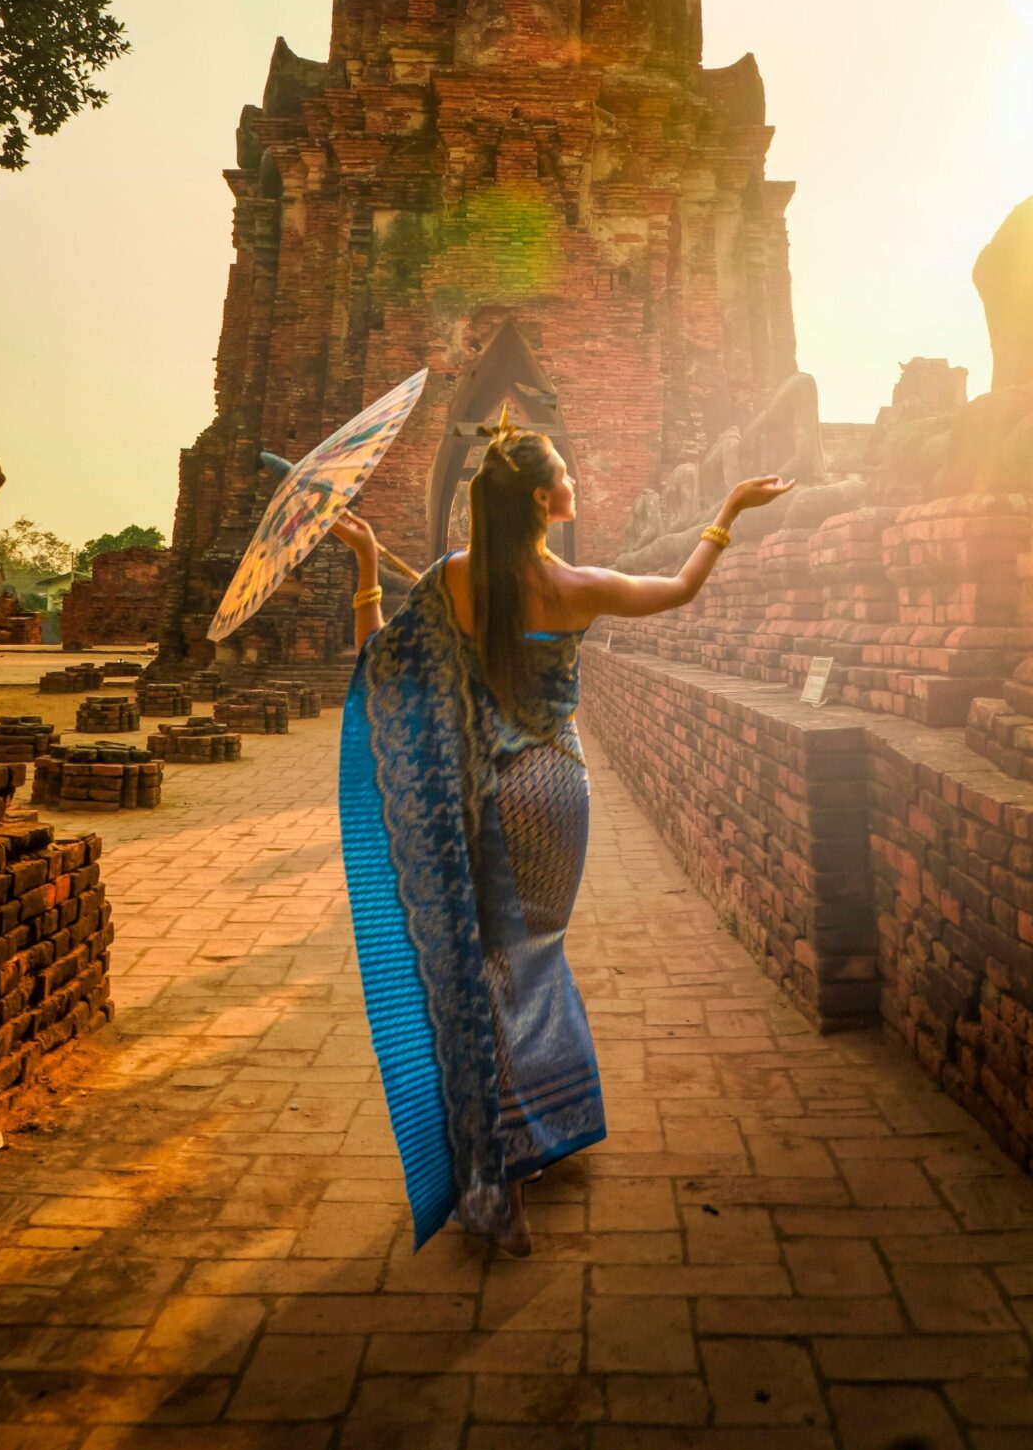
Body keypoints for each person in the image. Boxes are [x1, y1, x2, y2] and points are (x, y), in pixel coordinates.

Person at [333, 419, 793, 1257]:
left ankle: (503, 1168)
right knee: (530, 957)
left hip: (474, 797)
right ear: (544, 500)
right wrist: (727, 510)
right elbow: (680, 588)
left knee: (479, 969)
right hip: (552, 791)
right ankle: (525, 1142)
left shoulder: (449, 582)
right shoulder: (578, 584)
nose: (575, 482)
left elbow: (377, 669)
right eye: (566, 476)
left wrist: (367, 570)